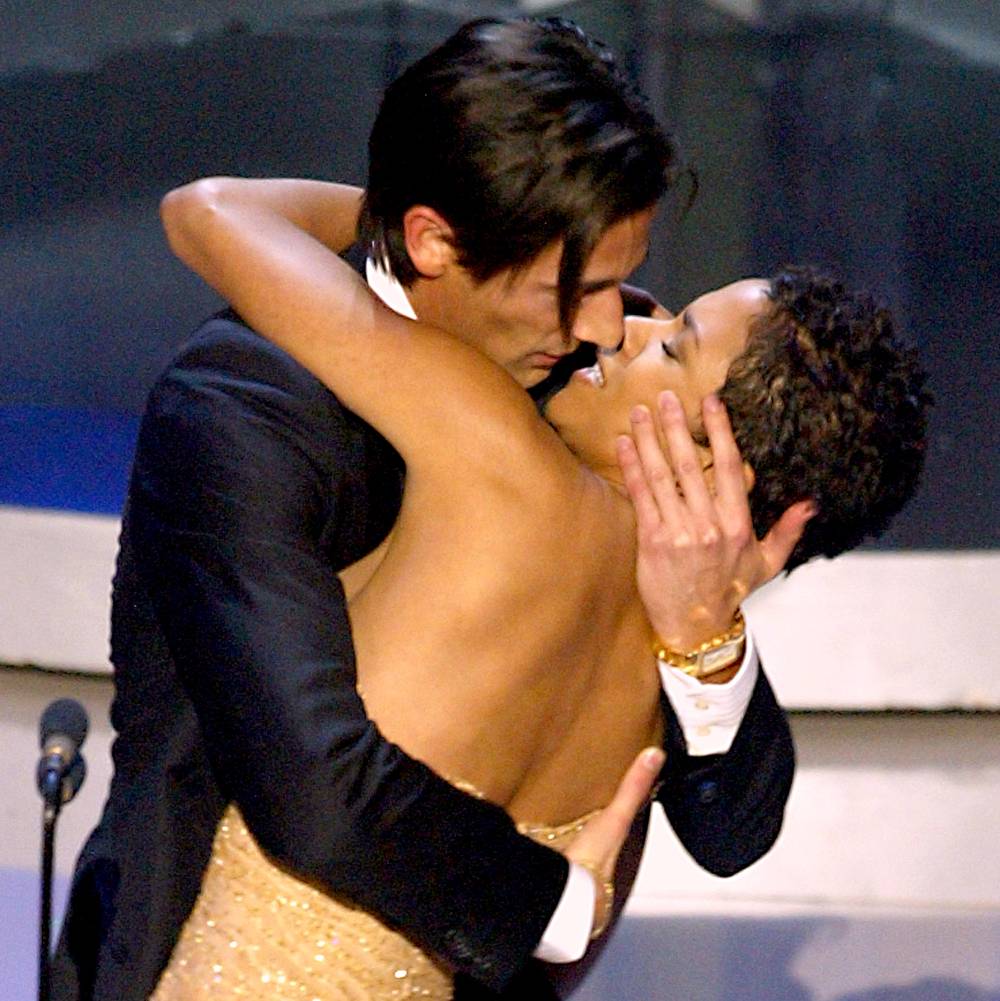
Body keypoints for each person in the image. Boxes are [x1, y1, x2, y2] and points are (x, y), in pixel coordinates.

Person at [52, 18, 806, 1001]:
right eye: (573, 288)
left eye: (620, 277)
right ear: (434, 239)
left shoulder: (588, 366)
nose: (608, 326)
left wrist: (709, 638)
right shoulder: (242, 404)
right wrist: (550, 905)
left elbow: (729, 831)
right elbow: (314, 779)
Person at [151, 174, 929, 1001]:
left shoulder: (492, 447)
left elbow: (208, 212)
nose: (623, 325)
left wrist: (459, 222)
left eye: (672, 345)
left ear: (714, 466)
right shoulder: (664, 672)